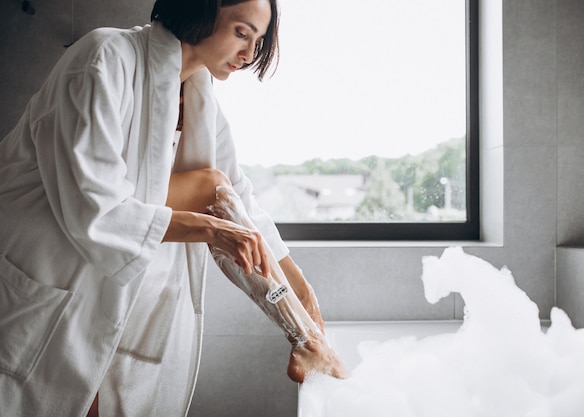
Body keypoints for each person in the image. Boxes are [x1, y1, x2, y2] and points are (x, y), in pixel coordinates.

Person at [0, 1, 346, 416]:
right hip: (46, 251)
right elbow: (94, 203)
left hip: (103, 274)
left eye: (258, 41)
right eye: (241, 33)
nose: (250, 55)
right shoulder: (104, 57)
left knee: (222, 191)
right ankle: (304, 338)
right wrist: (211, 230)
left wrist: (306, 294)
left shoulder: (199, 94)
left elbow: (242, 202)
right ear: (201, 9)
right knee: (211, 187)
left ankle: (307, 339)